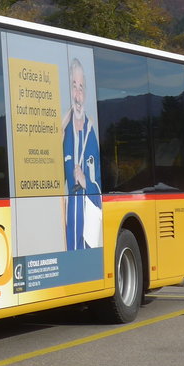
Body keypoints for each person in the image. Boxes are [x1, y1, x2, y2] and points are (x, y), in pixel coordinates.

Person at [62, 57, 102, 250]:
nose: (78, 95)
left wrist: (86, 182)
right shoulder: (64, 131)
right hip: (71, 217)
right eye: (74, 87)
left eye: (81, 88)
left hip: (89, 220)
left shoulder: (91, 134)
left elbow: (103, 185)